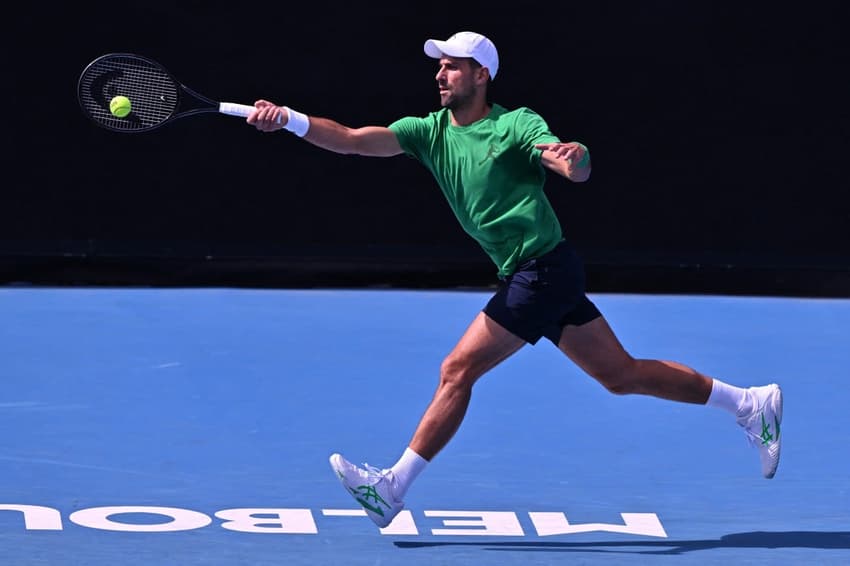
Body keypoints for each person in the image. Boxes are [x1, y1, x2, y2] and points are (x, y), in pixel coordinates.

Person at [247, 31, 783, 528]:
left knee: (457, 369)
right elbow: (350, 140)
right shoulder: (427, 133)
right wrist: (288, 118)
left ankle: (391, 488)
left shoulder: (514, 125)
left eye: (452, 67)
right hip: (542, 270)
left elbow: (567, 161)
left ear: (481, 75)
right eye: (439, 67)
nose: (440, 75)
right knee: (620, 375)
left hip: (541, 271)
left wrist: (573, 160)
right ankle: (747, 403)